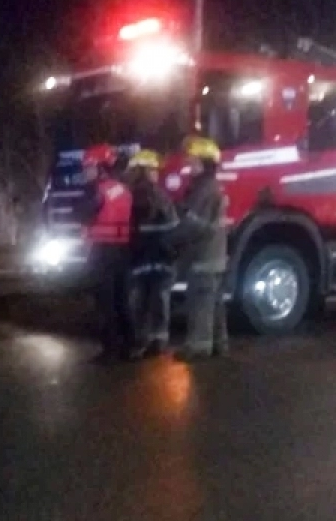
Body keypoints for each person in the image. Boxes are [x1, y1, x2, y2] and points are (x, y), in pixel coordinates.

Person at [167, 136, 229, 361]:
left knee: (200, 302)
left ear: (205, 163)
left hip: (203, 257)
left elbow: (194, 225)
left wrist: (171, 238)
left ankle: (198, 346)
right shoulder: (211, 187)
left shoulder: (204, 190)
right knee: (215, 303)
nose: (189, 166)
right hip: (215, 256)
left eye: (193, 162)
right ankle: (219, 344)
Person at [80, 143, 136, 362]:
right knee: (122, 299)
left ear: (101, 167)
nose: (86, 172)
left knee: (105, 302)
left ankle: (110, 349)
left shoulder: (97, 190)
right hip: (122, 249)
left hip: (103, 251)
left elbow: (84, 214)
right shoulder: (123, 189)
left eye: (89, 167)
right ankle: (129, 345)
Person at [125, 149, 178, 357]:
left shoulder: (128, 196)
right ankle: (159, 340)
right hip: (161, 257)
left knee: (139, 300)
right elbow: (173, 226)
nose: (157, 173)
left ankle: (141, 340)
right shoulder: (160, 197)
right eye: (154, 170)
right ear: (145, 171)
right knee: (159, 298)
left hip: (138, 258)